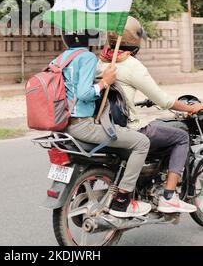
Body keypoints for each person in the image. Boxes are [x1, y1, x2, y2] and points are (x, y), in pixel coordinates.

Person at [96, 16, 203, 215]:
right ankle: (169, 197)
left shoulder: (102, 61)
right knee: (180, 136)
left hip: (104, 125)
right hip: (128, 129)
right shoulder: (132, 65)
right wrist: (191, 108)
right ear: (136, 41)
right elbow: (164, 101)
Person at [53, 29, 152, 218]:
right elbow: (84, 93)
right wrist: (105, 82)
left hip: (63, 125)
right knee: (141, 142)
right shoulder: (86, 57)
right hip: (82, 126)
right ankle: (122, 201)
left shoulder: (60, 59)